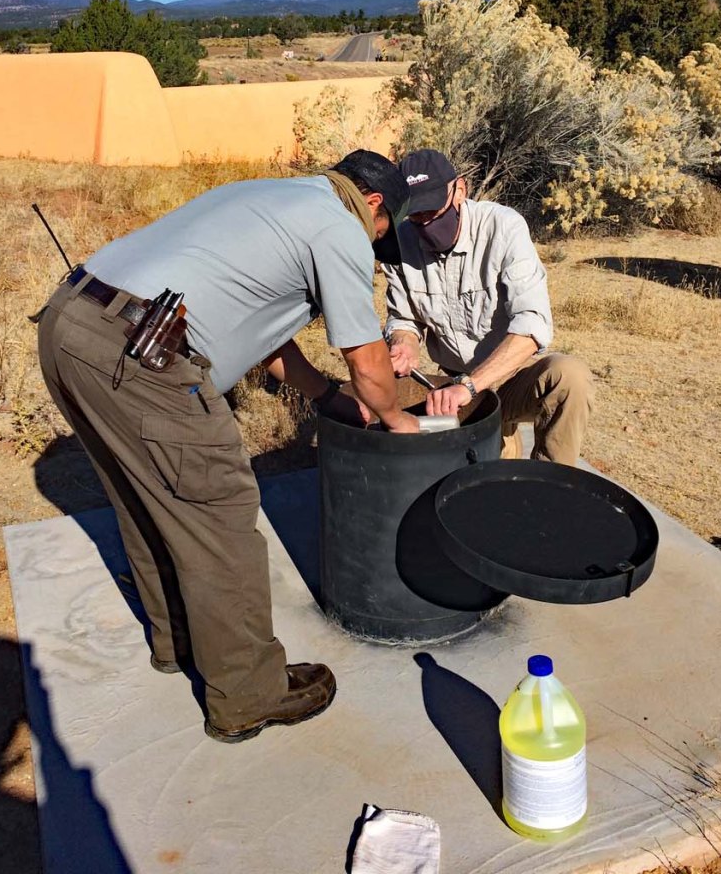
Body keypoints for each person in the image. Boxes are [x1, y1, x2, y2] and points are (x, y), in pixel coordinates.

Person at [36, 150, 418, 745]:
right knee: (220, 510)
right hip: (142, 354)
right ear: (373, 205)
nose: (373, 247)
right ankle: (247, 693)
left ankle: (179, 641)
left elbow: (268, 341)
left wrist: (324, 399)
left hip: (71, 324)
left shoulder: (272, 197)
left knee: (150, 501)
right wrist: (398, 419)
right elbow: (369, 363)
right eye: (381, 235)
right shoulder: (339, 226)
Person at [383, 150, 593, 465]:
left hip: (509, 375)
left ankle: (550, 486)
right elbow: (403, 319)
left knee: (570, 377)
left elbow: (532, 325)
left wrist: (470, 386)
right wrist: (404, 344)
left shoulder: (503, 228)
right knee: (484, 477)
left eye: (432, 212)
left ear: (460, 190)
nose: (424, 224)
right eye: (416, 216)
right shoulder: (401, 241)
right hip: (451, 384)